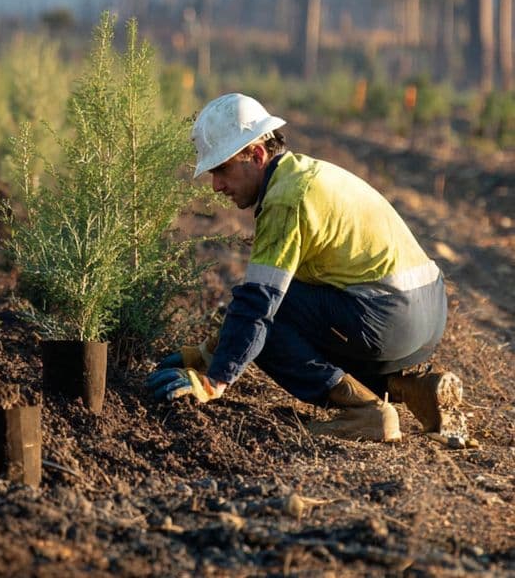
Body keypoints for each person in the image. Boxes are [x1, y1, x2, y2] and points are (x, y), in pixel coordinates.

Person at [147, 92, 466, 444]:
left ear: (255, 155)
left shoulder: (285, 200)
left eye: (221, 170)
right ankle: (411, 388)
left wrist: (214, 380)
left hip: (390, 320)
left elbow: (258, 305)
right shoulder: (305, 174)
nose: (216, 185)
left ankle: (366, 414)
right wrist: (208, 353)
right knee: (294, 312)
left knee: (266, 325)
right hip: (428, 317)